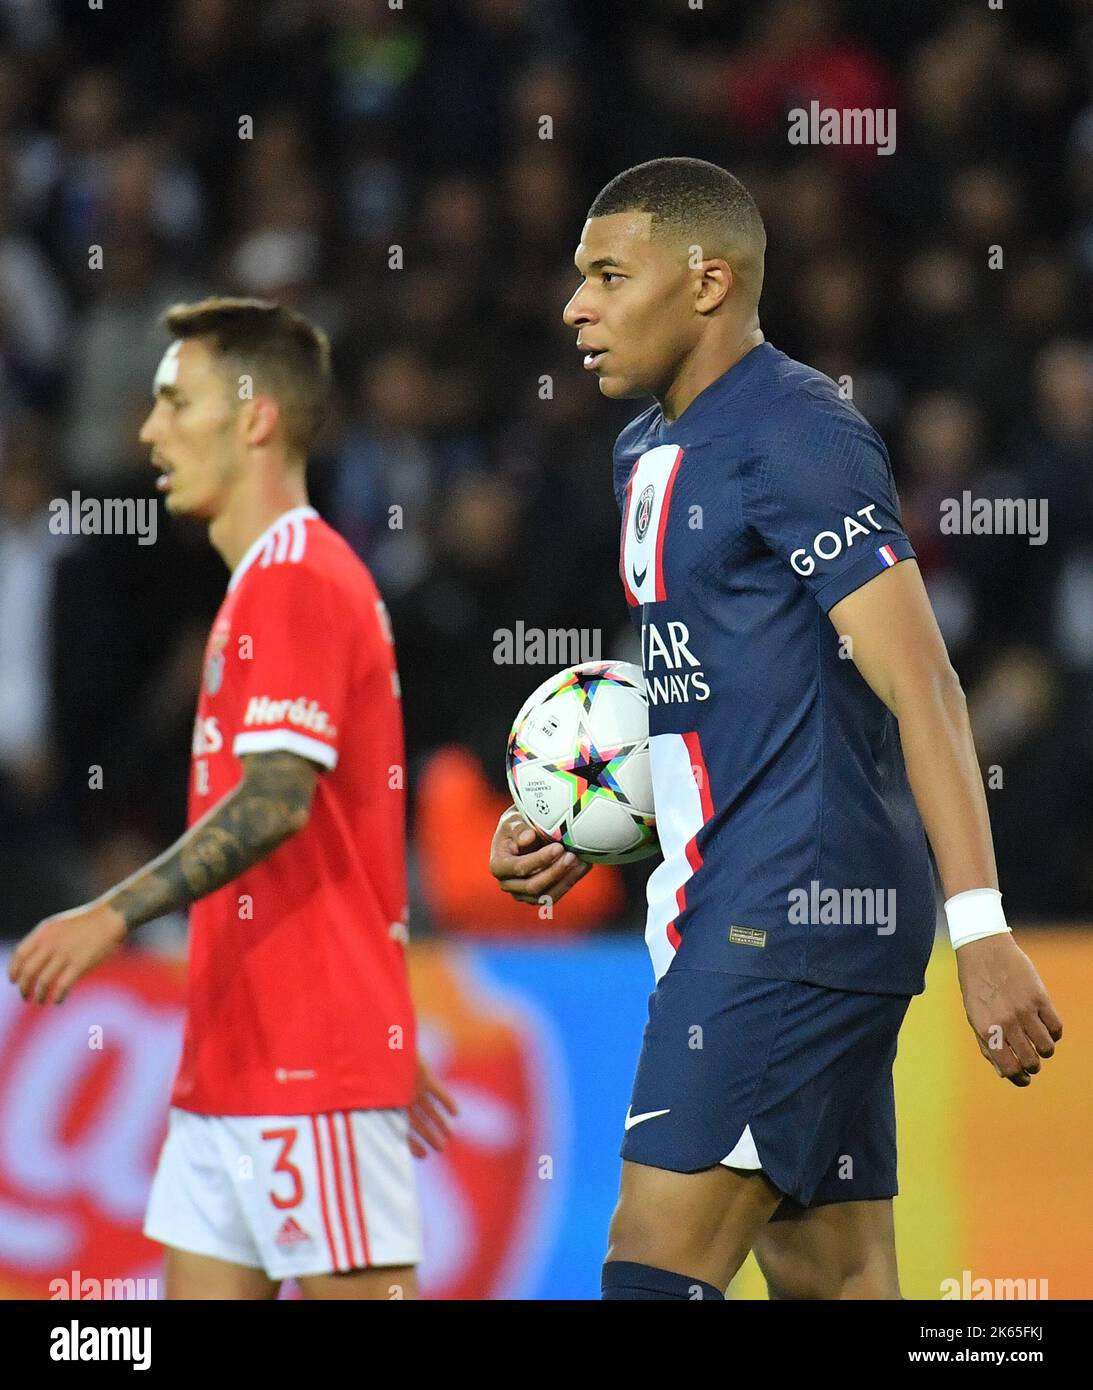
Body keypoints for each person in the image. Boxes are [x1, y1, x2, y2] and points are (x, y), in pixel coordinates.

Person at [489, 158, 1063, 1301]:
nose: (575, 307)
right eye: (575, 278)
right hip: (751, 901)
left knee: (652, 1267)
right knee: (839, 1279)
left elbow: (924, 685)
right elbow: (734, 700)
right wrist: (593, 819)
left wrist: (982, 927)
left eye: (608, 275)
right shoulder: (641, 450)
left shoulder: (796, 431)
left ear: (708, 282)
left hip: (785, 915)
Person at [9, 297, 455, 1301]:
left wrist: (110, 912)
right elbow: (337, 833)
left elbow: (278, 803)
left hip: (308, 1079)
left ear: (254, 416)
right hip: (235, 1067)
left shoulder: (297, 577)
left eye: (176, 401)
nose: (148, 430)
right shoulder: (261, 587)